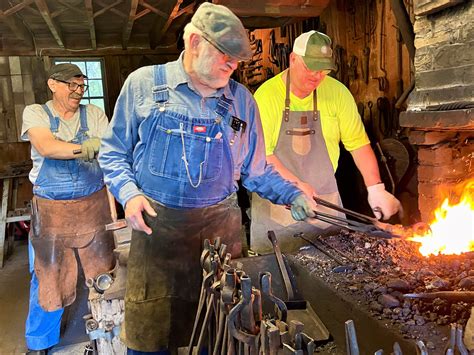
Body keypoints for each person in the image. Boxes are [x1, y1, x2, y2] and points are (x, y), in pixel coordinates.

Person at [98, 3, 316, 354]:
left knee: (218, 338)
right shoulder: (143, 85)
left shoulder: (241, 101)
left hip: (219, 243)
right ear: (195, 41)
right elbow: (112, 152)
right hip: (158, 241)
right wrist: (129, 194)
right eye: (225, 55)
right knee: (150, 341)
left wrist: (293, 194)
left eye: (237, 59)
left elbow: (256, 170)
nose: (233, 65)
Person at [250, 30, 402, 253]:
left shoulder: (338, 93)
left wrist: (375, 187)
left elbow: (358, 144)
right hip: (278, 204)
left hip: (325, 202)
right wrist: (295, 187)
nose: (316, 76)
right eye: (310, 68)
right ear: (293, 59)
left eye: (323, 70)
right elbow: (263, 155)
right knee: (276, 274)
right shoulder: (266, 96)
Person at [21, 63, 116, 354]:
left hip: (93, 206)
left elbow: (110, 159)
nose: (78, 92)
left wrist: (114, 215)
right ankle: (39, 342)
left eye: (81, 86)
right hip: (52, 211)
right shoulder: (36, 113)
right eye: (71, 86)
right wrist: (85, 147)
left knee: (105, 274)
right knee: (49, 276)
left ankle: (107, 334)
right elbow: (47, 147)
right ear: (53, 84)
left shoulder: (95, 115)